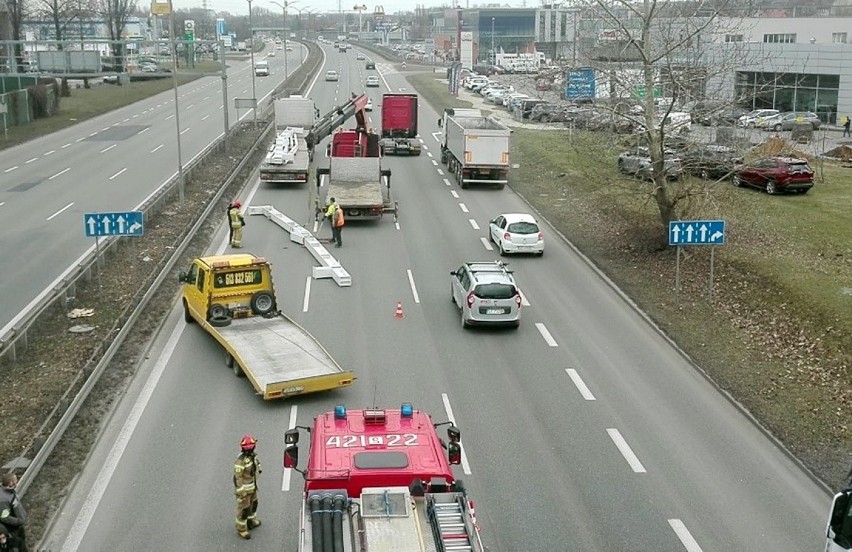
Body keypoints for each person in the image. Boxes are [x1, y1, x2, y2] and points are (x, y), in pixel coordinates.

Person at [233, 435, 261, 540]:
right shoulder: (240, 461)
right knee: (244, 509)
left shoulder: (252, 457)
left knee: (253, 505)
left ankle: (251, 521)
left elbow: (255, 467)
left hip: (252, 487)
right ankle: (242, 529)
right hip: (244, 491)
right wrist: (241, 492)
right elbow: (237, 478)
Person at [0, 473, 27, 552]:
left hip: (19, 525)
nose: (17, 482)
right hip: (13, 529)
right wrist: (18, 521)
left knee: (22, 545)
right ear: (11, 483)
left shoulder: (10, 491)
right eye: (15, 480)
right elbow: (5, 517)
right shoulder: (3, 500)